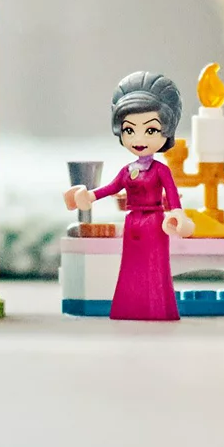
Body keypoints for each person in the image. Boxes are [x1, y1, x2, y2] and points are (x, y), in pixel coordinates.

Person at [63, 71, 191, 322]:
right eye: (129, 130)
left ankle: (156, 310)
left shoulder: (161, 170)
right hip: (133, 224)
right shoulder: (127, 170)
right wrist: (88, 195)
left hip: (154, 224)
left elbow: (173, 197)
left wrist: (177, 215)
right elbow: (111, 188)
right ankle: (129, 309)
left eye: (151, 130)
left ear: (167, 130)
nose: (139, 139)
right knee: (131, 268)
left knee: (154, 268)